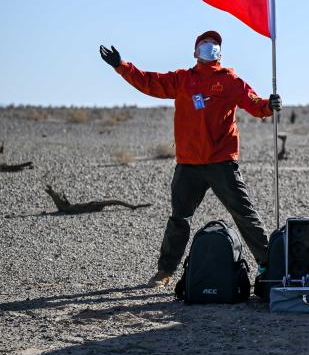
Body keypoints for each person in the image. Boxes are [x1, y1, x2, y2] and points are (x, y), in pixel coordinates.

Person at [99, 31, 281, 288]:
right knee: (179, 219)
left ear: (220, 52)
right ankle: (165, 271)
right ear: (195, 52)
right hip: (189, 164)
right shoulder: (183, 79)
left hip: (221, 162)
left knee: (244, 214)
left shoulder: (229, 80)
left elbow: (253, 102)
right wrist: (121, 66)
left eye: (215, 44)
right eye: (205, 44)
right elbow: (150, 82)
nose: (210, 47)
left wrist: (268, 105)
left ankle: (269, 265)